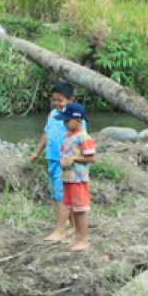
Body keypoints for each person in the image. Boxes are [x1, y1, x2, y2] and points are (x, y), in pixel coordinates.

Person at [28, 82, 87, 242]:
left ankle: (60, 231)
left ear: (70, 99)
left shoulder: (76, 117)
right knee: (58, 195)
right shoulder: (53, 114)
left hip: (67, 163)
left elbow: (82, 139)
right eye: (54, 100)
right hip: (53, 159)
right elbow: (46, 134)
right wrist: (36, 152)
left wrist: (74, 159)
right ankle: (74, 228)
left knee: (62, 197)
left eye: (60, 100)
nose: (56, 103)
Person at [57, 102, 96, 251]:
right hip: (67, 178)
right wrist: (63, 161)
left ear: (79, 120)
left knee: (80, 210)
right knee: (72, 208)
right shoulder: (68, 136)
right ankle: (77, 238)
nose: (65, 123)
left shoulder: (84, 137)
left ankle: (84, 240)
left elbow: (91, 158)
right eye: (64, 121)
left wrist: (73, 159)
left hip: (78, 179)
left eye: (68, 120)